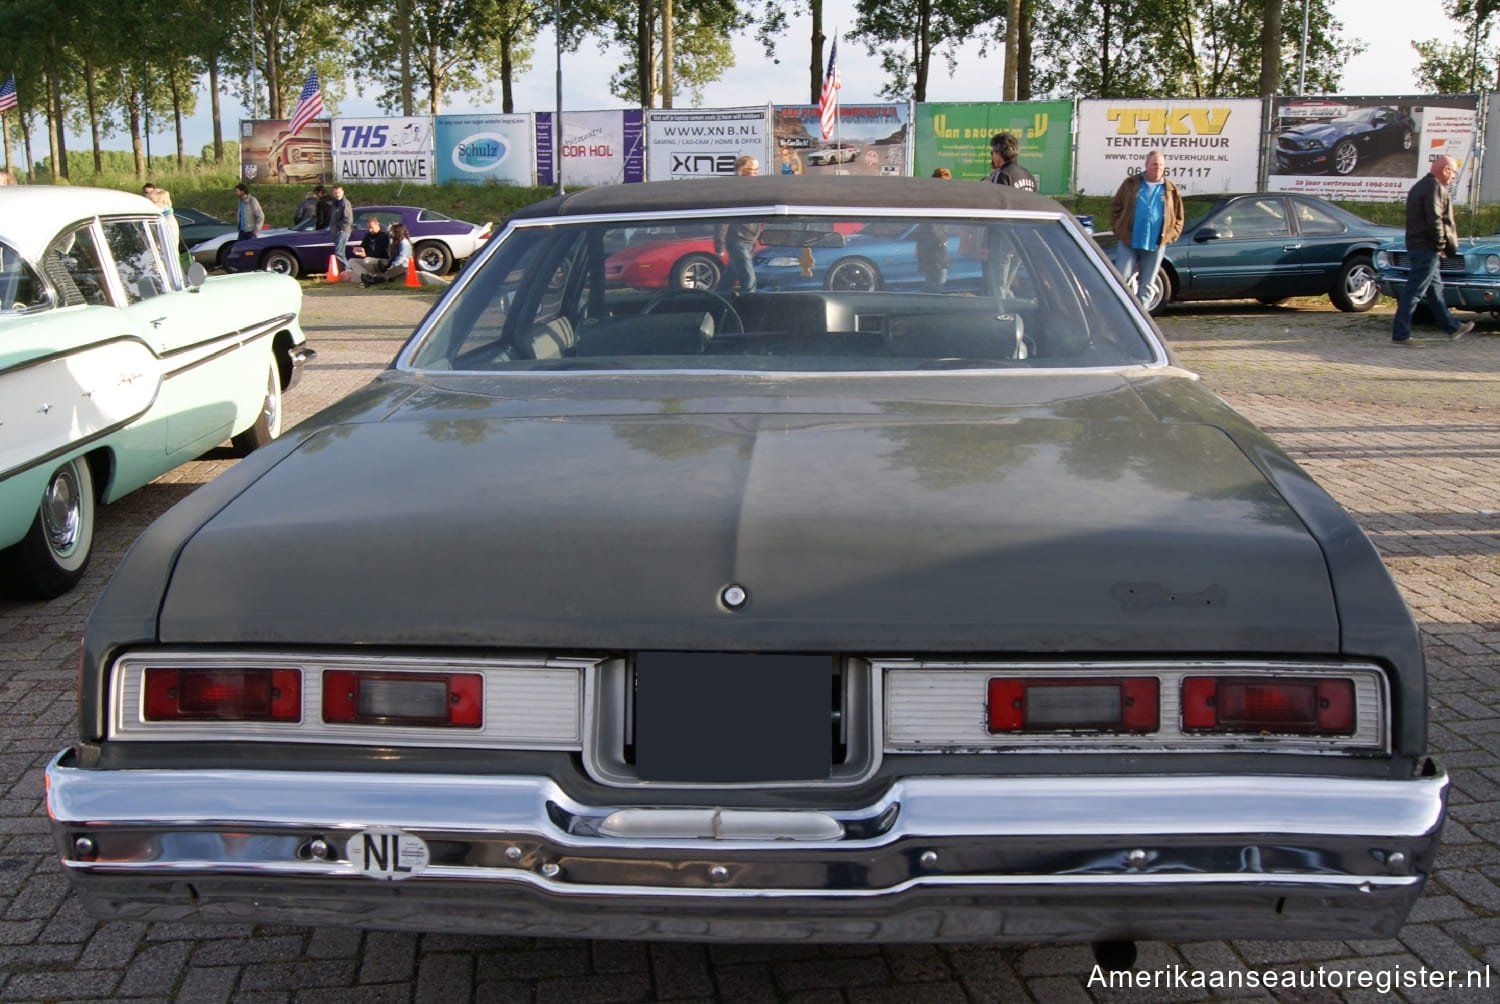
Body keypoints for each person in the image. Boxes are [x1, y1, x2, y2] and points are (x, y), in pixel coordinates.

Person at [1392, 155, 1474, 346]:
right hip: (1426, 247)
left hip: (1418, 245)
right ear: (1445, 169)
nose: (1453, 177)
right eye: (1453, 172)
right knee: (1414, 291)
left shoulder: (1420, 186)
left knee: (1435, 290)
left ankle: (1452, 327)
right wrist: (1439, 245)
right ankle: (1401, 334)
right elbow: (1435, 218)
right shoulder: (1434, 187)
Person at [1108, 149, 1185, 308]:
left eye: (1161, 165)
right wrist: (1119, 230)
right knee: (1120, 279)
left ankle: (1140, 318)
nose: (1158, 167)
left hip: (1155, 244)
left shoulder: (1170, 189)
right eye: (1155, 164)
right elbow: (1116, 208)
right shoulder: (1131, 184)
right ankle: (1118, 313)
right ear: (1146, 165)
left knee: (1147, 284)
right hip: (1129, 242)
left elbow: (1179, 216)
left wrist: (1170, 236)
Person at [714, 156, 762, 294]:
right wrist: (719, 244)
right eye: (754, 170)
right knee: (748, 279)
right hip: (737, 240)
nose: (756, 173)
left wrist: (754, 240)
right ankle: (751, 305)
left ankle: (716, 300)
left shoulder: (755, 190)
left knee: (728, 279)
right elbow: (724, 220)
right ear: (743, 171)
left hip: (748, 241)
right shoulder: (734, 191)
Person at [915, 168, 951, 293]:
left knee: (932, 282)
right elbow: (933, 226)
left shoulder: (929, 198)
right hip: (934, 248)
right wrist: (942, 241)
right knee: (938, 281)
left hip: (929, 247)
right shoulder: (937, 201)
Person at [146, 187, 179, 253]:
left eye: (154, 202)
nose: (151, 204)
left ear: (163, 202)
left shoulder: (168, 220)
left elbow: (169, 244)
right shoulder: (159, 217)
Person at [329, 185, 354, 266]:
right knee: (339, 252)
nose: (337, 194)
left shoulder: (345, 203)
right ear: (333, 193)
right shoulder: (335, 203)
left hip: (343, 231)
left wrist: (341, 228)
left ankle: (346, 270)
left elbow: (348, 219)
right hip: (336, 232)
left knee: (339, 252)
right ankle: (343, 272)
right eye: (335, 193)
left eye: (339, 192)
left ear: (343, 192)